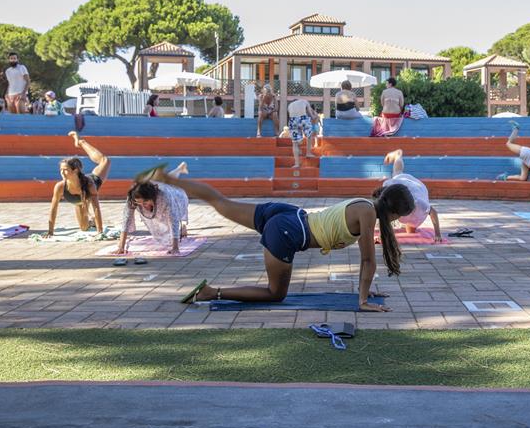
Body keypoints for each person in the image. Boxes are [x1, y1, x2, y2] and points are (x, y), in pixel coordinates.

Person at [136, 165, 414, 311]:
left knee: (220, 202)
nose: (396, 222)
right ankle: (211, 292)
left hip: (287, 214)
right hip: (287, 231)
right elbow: (367, 261)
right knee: (275, 294)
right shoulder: (368, 213)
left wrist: (367, 290)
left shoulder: (365, 204)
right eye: (399, 217)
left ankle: (169, 179)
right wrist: (362, 301)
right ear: (392, 211)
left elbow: (367, 263)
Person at [115, 163, 192, 255]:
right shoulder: (133, 197)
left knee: (171, 187)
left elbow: (173, 220)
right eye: (139, 203)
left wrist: (175, 247)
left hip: (175, 195)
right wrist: (121, 247)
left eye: (145, 202)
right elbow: (126, 219)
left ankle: (183, 226)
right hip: (156, 184)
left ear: (153, 198)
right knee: (166, 180)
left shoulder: (164, 196)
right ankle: (179, 168)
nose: (143, 206)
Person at [47, 132, 113, 236]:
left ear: (75, 170)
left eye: (65, 170)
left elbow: (96, 208)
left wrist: (100, 232)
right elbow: (53, 209)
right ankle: (91, 221)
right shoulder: (60, 186)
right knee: (84, 228)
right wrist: (50, 232)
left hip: (91, 182)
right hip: (80, 201)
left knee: (105, 160)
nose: (62, 173)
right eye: (61, 170)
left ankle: (81, 142)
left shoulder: (90, 185)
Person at [382, 150, 442, 242]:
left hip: (417, 188)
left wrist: (438, 234)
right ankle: (398, 156)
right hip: (402, 187)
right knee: (397, 172)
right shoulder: (391, 196)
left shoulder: (419, 204)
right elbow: (383, 218)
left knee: (411, 230)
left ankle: (398, 155)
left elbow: (433, 212)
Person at [287, 98, 317, 168]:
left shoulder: (289, 105)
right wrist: (315, 116)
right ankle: (308, 153)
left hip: (292, 120)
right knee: (309, 135)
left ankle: (296, 164)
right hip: (303, 118)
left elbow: (291, 116)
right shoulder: (305, 101)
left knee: (295, 143)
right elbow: (311, 116)